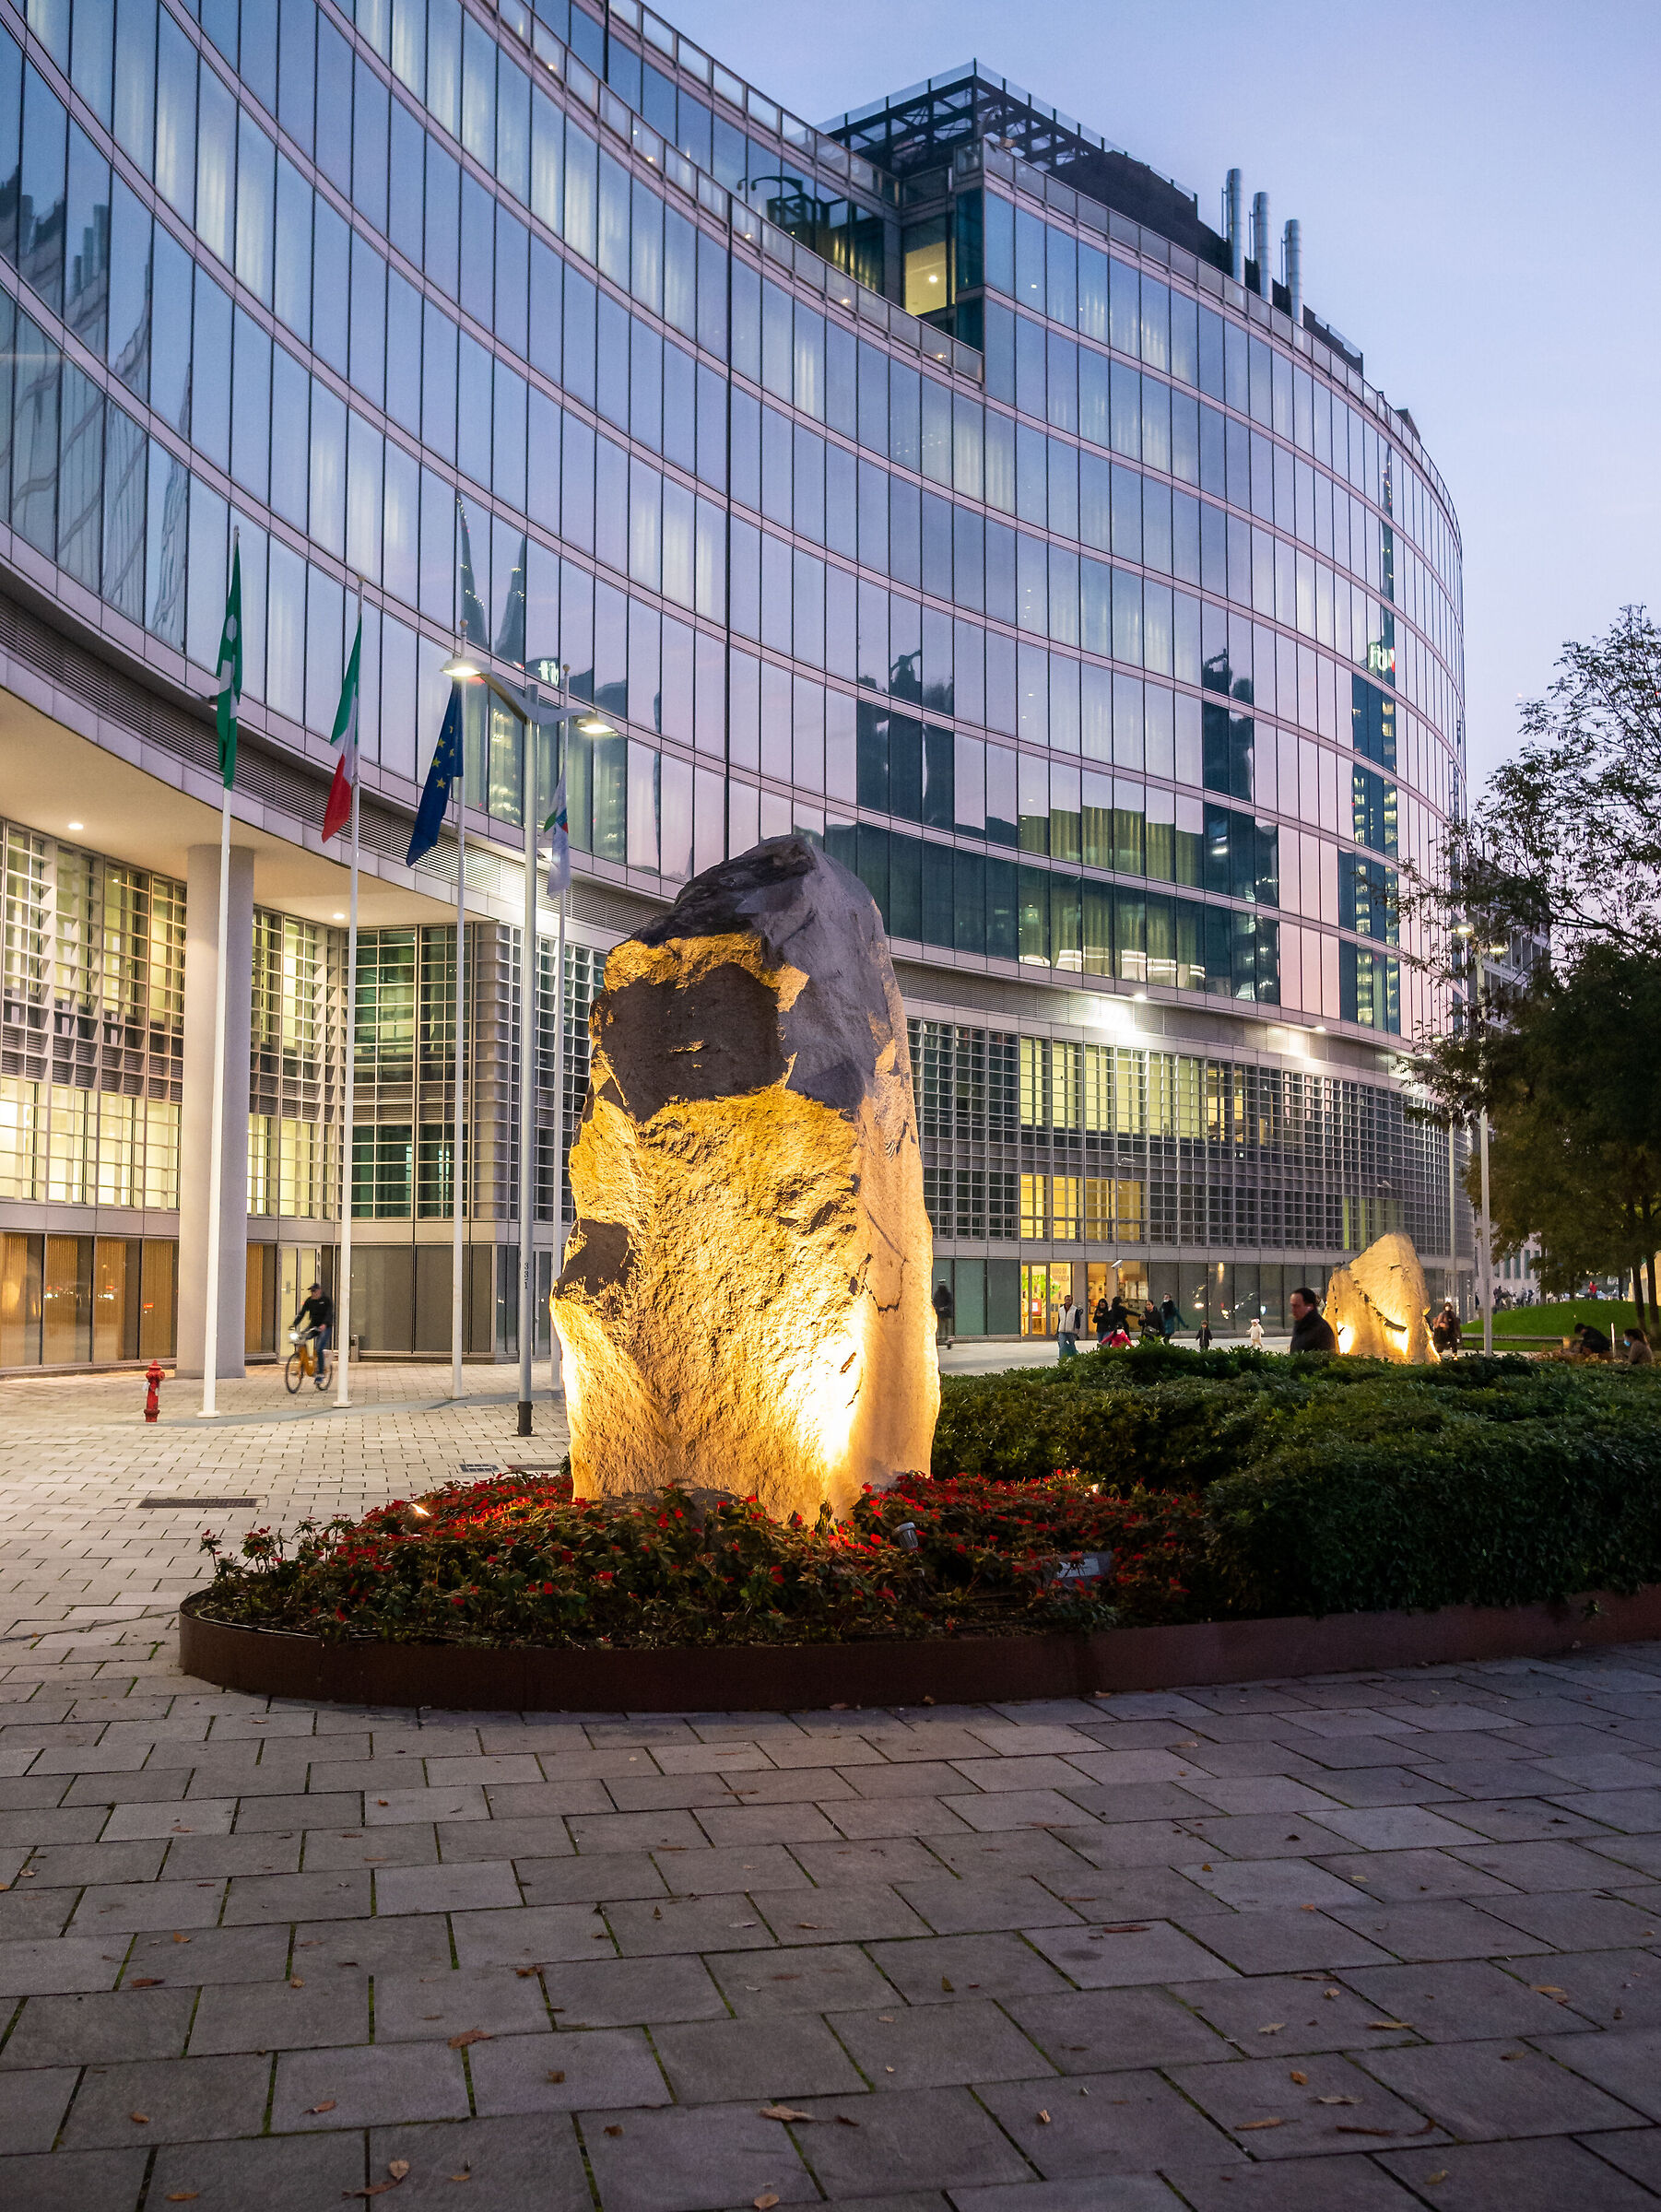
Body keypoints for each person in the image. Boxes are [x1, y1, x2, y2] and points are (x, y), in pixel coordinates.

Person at [291, 1280, 335, 1379]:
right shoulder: (309, 1301)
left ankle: (320, 1373)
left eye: (315, 1291)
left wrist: (324, 1324)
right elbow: (302, 1313)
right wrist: (294, 1324)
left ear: (319, 1291)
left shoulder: (326, 1300)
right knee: (301, 1339)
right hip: (313, 1326)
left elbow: (329, 1314)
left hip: (325, 1327)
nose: (313, 1293)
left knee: (319, 1348)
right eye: (311, 1291)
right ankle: (301, 1366)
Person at [1289, 1284, 1337, 1355]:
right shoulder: (1300, 1326)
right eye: (1292, 1306)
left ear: (1309, 1307)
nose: (1293, 1310)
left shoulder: (1321, 1330)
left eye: (1297, 1306)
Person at [1056, 1295, 1082, 1360]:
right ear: (1064, 1300)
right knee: (1061, 1345)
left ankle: (1076, 1357)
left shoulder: (1075, 1310)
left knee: (1072, 1345)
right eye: (1066, 1300)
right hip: (1062, 1330)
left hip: (1071, 1331)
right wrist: (1057, 1331)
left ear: (1072, 1301)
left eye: (1069, 1300)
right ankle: (1062, 1360)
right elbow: (1059, 1320)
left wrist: (1077, 1330)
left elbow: (1077, 1320)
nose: (1068, 1301)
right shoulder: (1060, 1309)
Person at [931, 1279, 954, 1349]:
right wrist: (936, 1307)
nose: (941, 1285)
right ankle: (940, 1338)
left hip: (946, 1313)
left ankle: (947, 1338)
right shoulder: (937, 1293)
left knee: (947, 1327)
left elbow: (950, 1302)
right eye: (940, 1283)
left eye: (942, 1283)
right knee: (940, 1327)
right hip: (940, 1313)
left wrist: (945, 1308)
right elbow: (934, 1301)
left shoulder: (947, 1293)